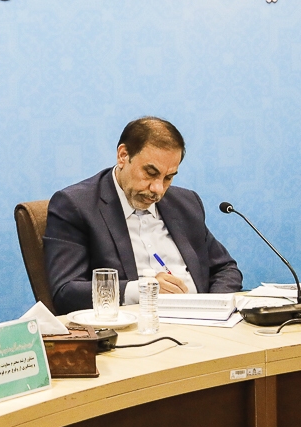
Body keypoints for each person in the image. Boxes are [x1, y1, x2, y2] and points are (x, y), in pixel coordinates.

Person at [43, 117, 242, 315]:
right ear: (123, 155)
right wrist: (142, 290)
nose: (158, 189)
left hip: (204, 324)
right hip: (135, 326)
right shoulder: (76, 205)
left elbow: (226, 268)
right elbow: (66, 292)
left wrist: (213, 309)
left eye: (168, 177)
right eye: (150, 173)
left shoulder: (186, 203)